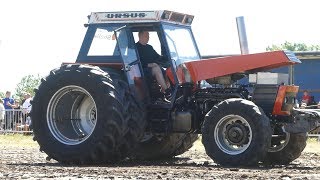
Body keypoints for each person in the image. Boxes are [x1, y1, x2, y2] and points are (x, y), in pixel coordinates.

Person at [136, 30, 171, 100]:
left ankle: (166, 90)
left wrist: (166, 59)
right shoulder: (135, 48)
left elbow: (157, 57)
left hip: (153, 68)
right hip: (142, 70)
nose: (148, 38)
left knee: (169, 70)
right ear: (140, 36)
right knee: (156, 68)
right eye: (146, 36)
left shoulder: (149, 47)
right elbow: (134, 62)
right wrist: (149, 65)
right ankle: (167, 92)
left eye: (148, 36)